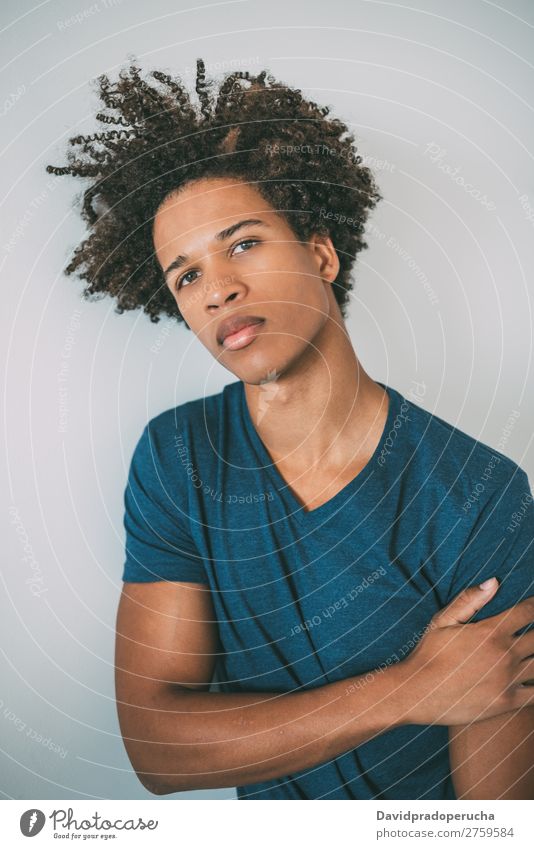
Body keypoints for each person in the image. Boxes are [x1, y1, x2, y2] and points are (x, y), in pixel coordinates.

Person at [47, 59, 534, 800]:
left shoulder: (481, 496)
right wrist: (409, 689)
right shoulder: (178, 458)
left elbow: (495, 819)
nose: (218, 289)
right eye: (186, 275)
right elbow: (157, 747)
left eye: (242, 243)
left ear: (321, 253)